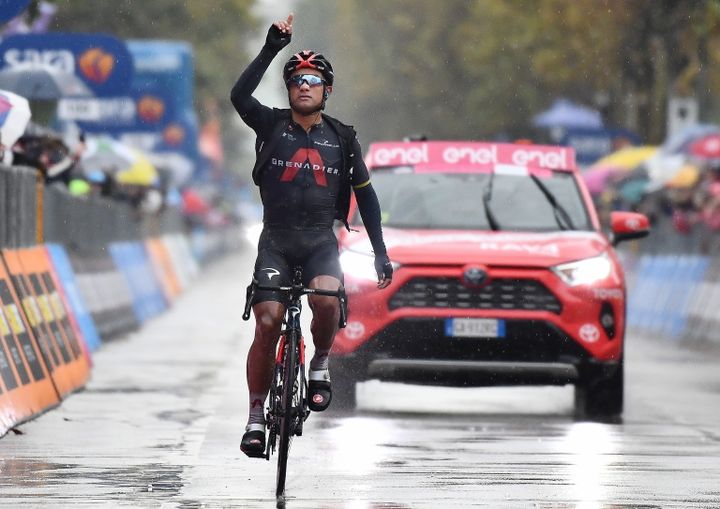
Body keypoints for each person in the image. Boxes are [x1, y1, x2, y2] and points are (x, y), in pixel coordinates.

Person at [231, 13, 393, 458]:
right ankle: (255, 415)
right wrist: (270, 50)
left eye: (314, 79)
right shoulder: (270, 124)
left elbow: (368, 198)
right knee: (266, 322)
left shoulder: (342, 138)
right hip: (277, 241)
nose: (304, 85)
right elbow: (238, 95)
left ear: (327, 90)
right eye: (297, 78)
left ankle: (320, 363)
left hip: (321, 240)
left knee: (326, 298)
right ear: (288, 89)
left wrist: (381, 253)